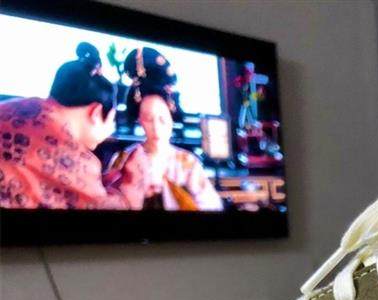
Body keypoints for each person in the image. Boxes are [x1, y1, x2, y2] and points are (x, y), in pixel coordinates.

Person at [0, 43, 148, 209]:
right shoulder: (75, 159)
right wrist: (135, 180)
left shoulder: (12, 107)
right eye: (111, 121)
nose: (110, 132)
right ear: (96, 112)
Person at [118, 47, 222, 211]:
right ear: (139, 120)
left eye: (162, 118)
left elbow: (211, 206)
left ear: (171, 117)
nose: (156, 127)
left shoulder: (187, 162)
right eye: (148, 119)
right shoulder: (124, 159)